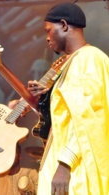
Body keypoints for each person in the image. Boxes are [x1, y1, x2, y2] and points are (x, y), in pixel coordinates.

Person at [26, 2, 109, 195]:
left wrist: (65, 164)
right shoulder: (71, 61)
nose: (47, 38)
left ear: (63, 25)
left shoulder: (88, 59)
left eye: (48, 30)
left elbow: (89, 118)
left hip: (76, 172)